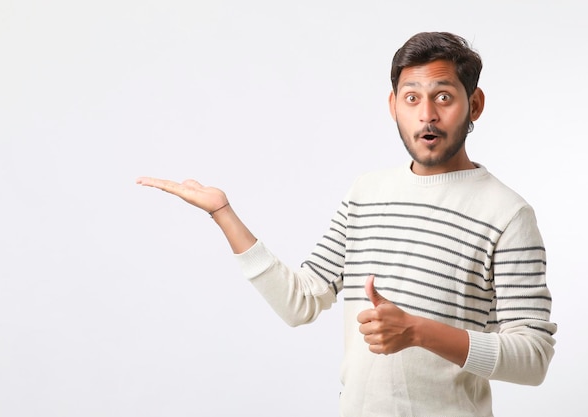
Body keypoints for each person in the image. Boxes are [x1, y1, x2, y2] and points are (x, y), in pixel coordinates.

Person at [136, 32, 557, 417]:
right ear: (393, 105)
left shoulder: (508, 214)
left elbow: (533, 358)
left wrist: (417, 332)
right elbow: (300, 301)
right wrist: (223, 213)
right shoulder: (366, 192)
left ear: (475, 105)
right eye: (412, 98)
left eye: (443, 97)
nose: (427, 115)